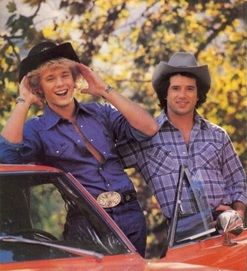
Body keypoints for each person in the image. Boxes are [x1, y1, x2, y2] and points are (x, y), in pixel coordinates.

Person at [0, 41, 159, 257]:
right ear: (39, 88)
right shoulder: (36, 129)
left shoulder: (100, 113)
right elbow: (5, 158)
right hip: (88, 225)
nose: (60, 84)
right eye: (50, 78)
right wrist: (24, 101)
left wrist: (104, 90)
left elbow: (149, 128)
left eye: (65, 75)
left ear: (74, 79)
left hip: (131, 216)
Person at [118, 51, 247, 249]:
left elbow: (237, 180)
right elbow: (106, 161)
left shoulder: (217, 135)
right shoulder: (147, 138)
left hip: (228, 234)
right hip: (183, 239)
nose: (182, 95)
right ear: (165, 93)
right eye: (176, 88)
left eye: (190, 89)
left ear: (198, 95)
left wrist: (237, 215)